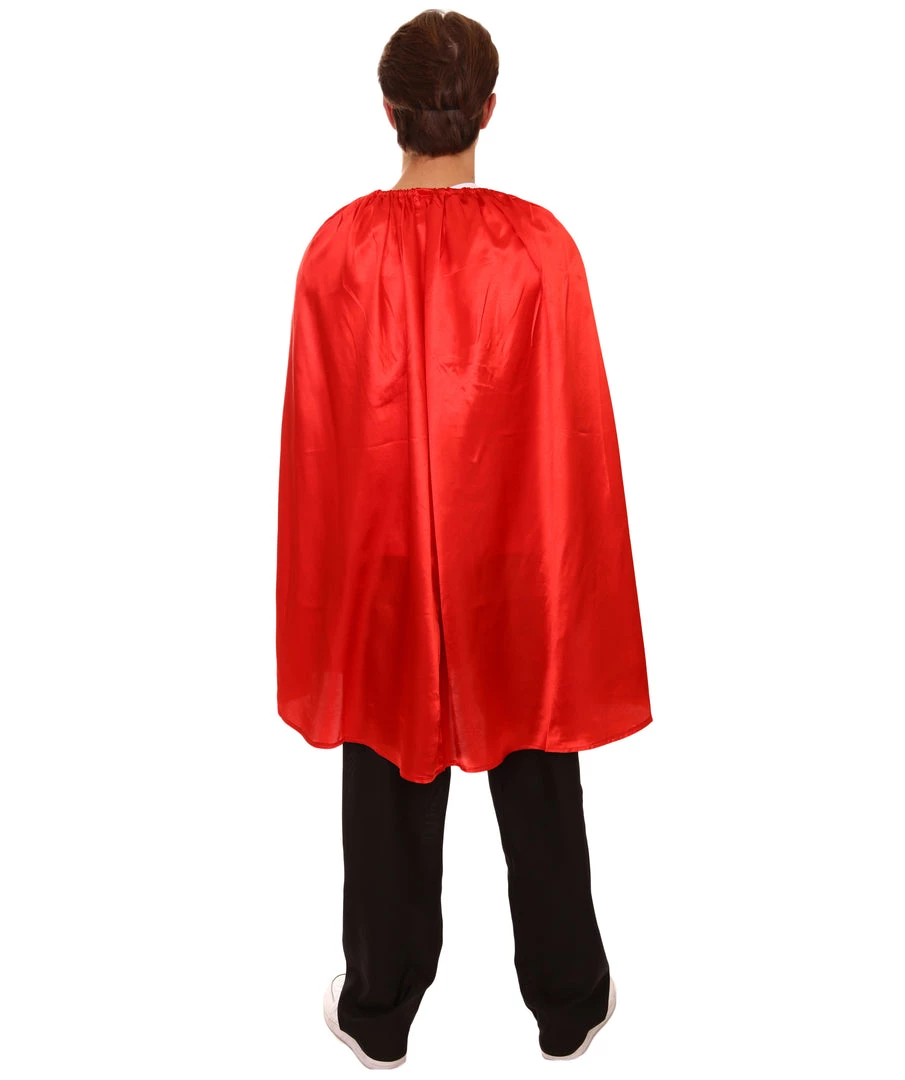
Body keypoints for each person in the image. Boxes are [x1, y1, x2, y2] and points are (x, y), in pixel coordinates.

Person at [276, 9, 653, 1069]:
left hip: (384, 559)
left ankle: (379, 1010)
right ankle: (569, 1001)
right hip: (516, 557)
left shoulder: (336, 251)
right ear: (488, 109)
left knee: (386, 768)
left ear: (388, 111)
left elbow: (321, 438)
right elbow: (573, 432)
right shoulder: (540, 248)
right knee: (536, 759)